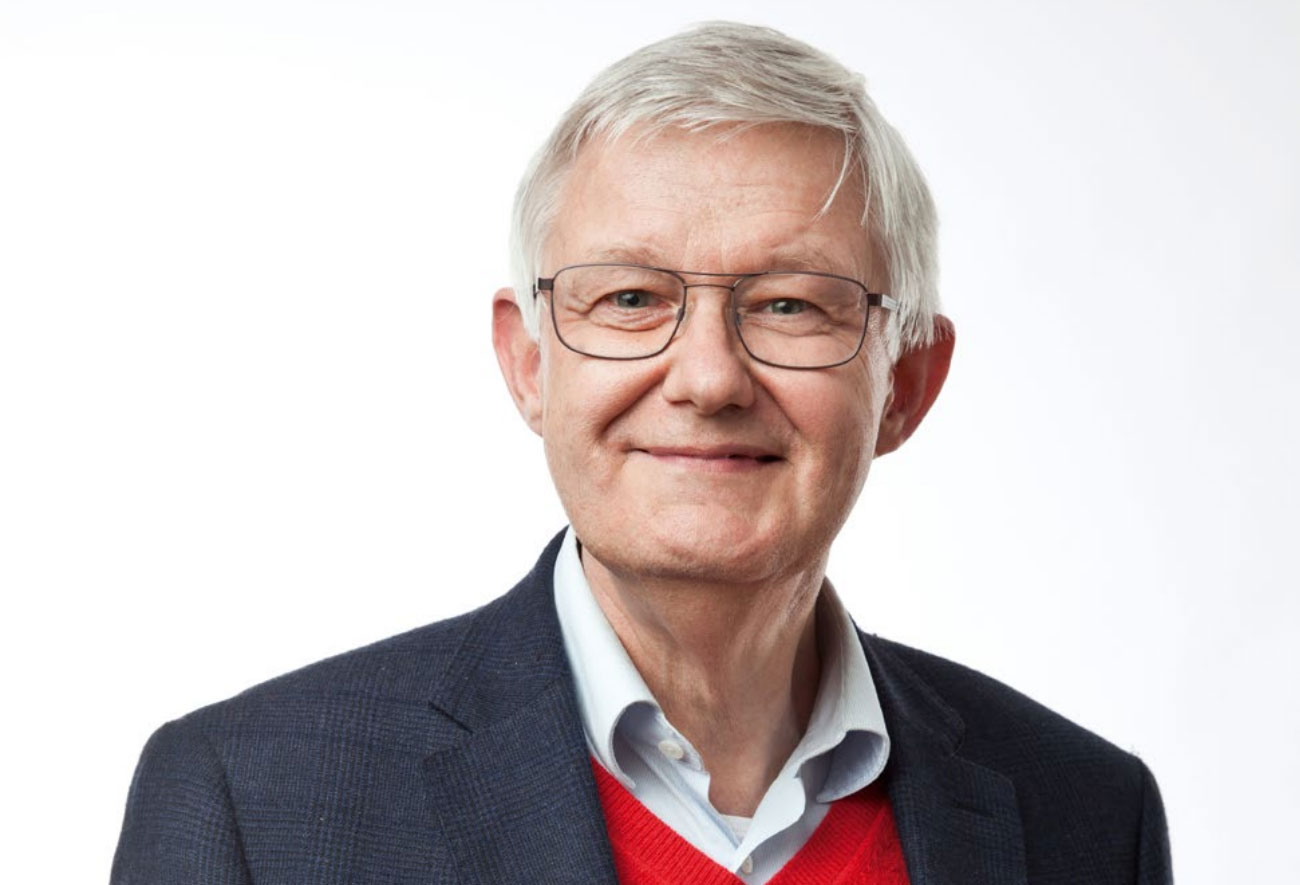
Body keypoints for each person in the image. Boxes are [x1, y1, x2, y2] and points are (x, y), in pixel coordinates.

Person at [111, 21, 1172, 885]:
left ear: (907, 384)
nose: (708, 379)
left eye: (791, 305)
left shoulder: (1083, 818)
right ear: (527, 363)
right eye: (629, 298)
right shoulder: (252, 805)